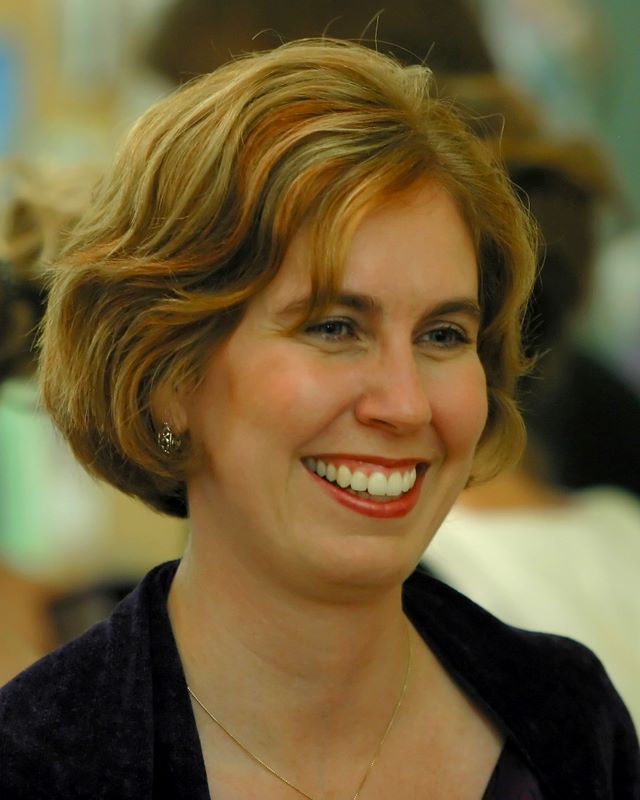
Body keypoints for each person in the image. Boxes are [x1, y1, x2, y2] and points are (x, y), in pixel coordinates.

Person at [0, 40, 637, 798]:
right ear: (168, 376)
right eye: (335, 327)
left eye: (443, 335)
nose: (405, 403)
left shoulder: (567, 722)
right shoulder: (40, 762)